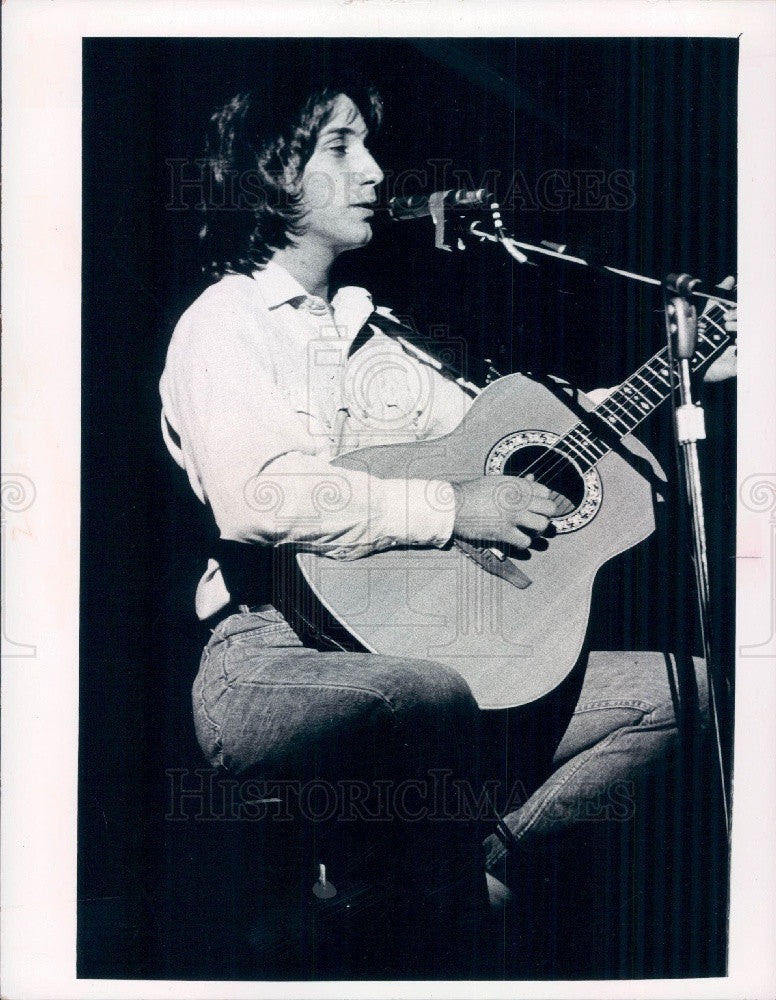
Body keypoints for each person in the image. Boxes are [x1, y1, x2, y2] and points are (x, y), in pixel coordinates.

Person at [159, 71, 733, 975]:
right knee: (425, 694)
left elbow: (529, 432)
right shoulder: (224, 322)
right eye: (341, 148)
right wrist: (458, 508)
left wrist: (683, 366)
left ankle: (478, 877)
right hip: (270, 655)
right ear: (272, 171)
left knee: (695, 692)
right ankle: (396, 909)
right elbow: (260, 498)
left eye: (370, 146)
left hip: (425, 655)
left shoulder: (380, 336)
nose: (377, 172)